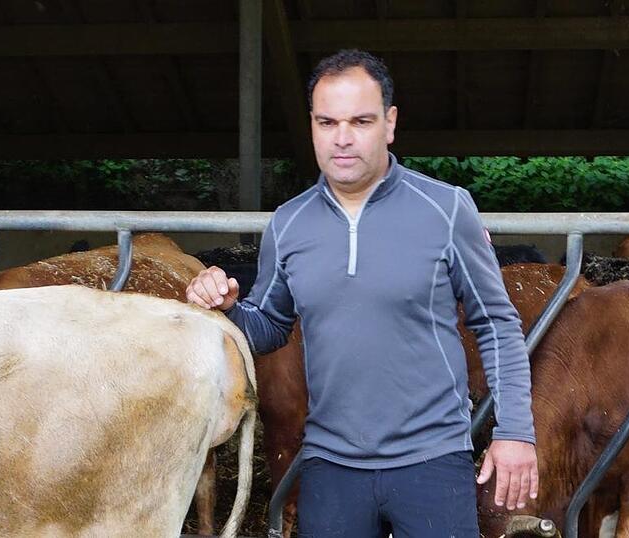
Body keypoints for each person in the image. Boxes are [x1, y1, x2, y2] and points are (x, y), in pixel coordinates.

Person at [186, 49, 536, 537]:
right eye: (327, 122)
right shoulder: (288, 224)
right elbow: (267, 328)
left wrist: (515, 431)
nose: (342, 138)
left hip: (432, 458)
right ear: (311, 125)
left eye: (361, 121)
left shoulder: (447, 209)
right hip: (331, 461)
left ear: (390, 124)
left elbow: (496, 322)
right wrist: (226, 308)